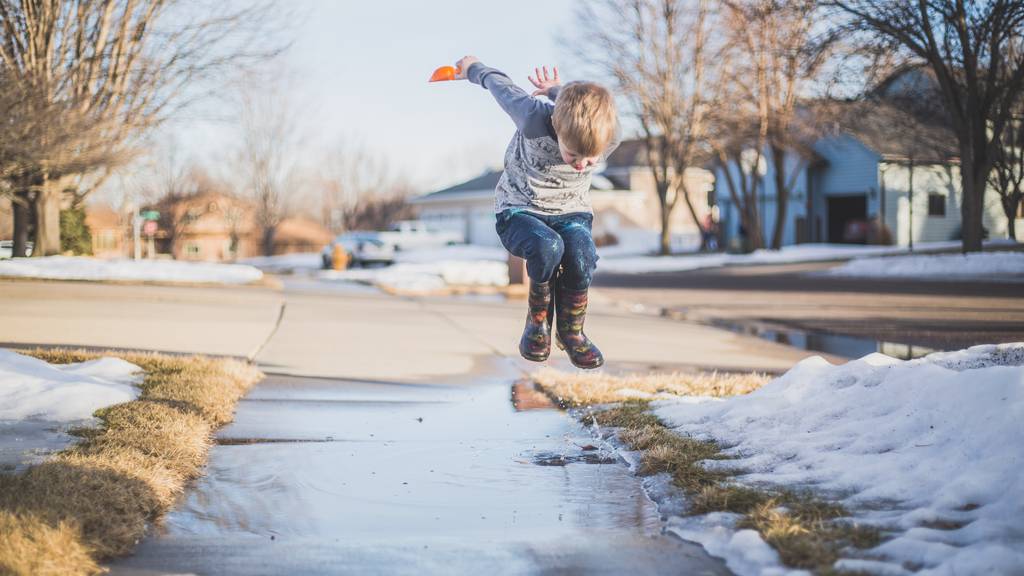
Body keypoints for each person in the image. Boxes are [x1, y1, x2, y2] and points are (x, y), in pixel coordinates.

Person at [455, 56, 619, 369]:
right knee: (548, 245)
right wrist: (471, 68)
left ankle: (572, 332)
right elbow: (500, 85)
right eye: (572, 153)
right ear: (557, 126)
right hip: (518, 211)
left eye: (591, 159)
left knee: (582, 254)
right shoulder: (531, 116)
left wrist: (558, 90)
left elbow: (588, 111)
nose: (581, 164)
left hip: (571, 212)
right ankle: (538, 323)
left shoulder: (608, 133)